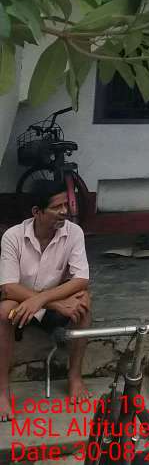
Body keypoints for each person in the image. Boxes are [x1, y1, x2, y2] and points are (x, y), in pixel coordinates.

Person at [0, 178, 91, 421]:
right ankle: (2, 391)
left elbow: (81, 279)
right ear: (37, 212)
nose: (64, 211)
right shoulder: (13, 236)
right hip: (21, 302)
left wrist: (43, 300)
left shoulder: (73, 232)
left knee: (83, 302)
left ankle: (75, 377)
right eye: (56, 207)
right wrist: (51, 302)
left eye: (66, 205)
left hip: (49, 299)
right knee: (3, 311)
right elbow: (8, 288)